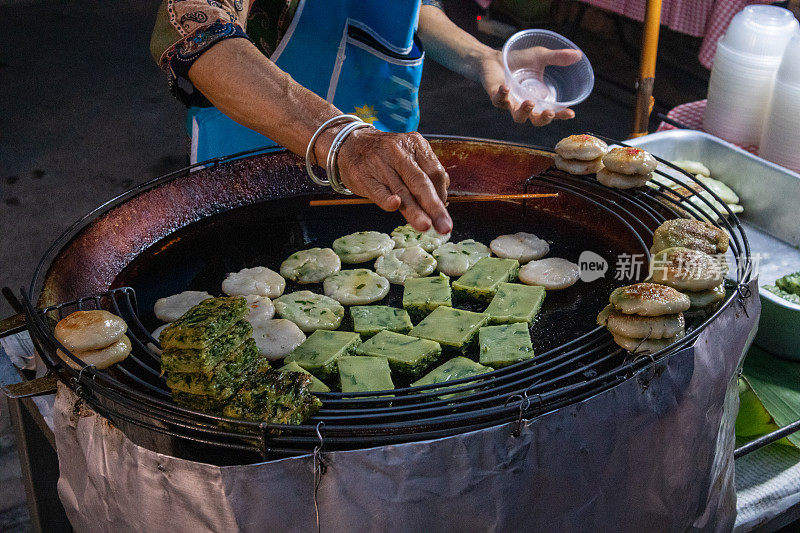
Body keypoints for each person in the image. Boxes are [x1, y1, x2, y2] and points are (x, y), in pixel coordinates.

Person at [150, 0, 580, 234]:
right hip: (261, 167)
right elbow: (199, 35)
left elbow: (416, 8)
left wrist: (481, 56)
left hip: (382, 167)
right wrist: (342, 140)